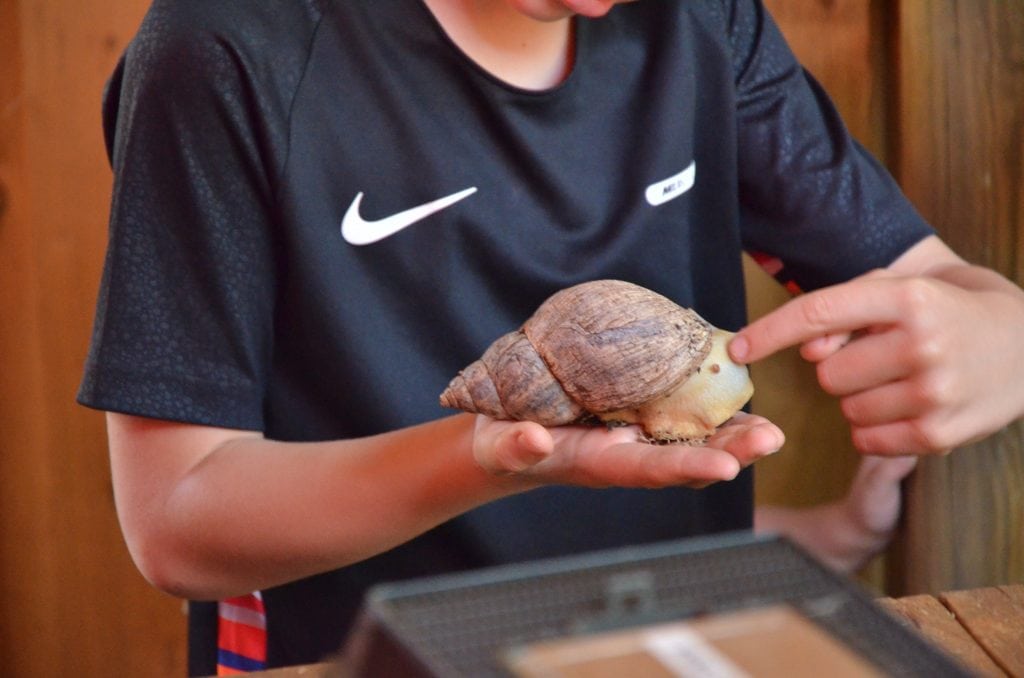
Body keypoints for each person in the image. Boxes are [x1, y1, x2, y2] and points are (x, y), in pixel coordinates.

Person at [77, 0, 1024, 674]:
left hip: (664, 641)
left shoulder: (706, 23)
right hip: (359, 655)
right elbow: (179, 522)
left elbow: (934, 282)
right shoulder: (230, 43)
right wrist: (487, 455)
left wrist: (999, 333)